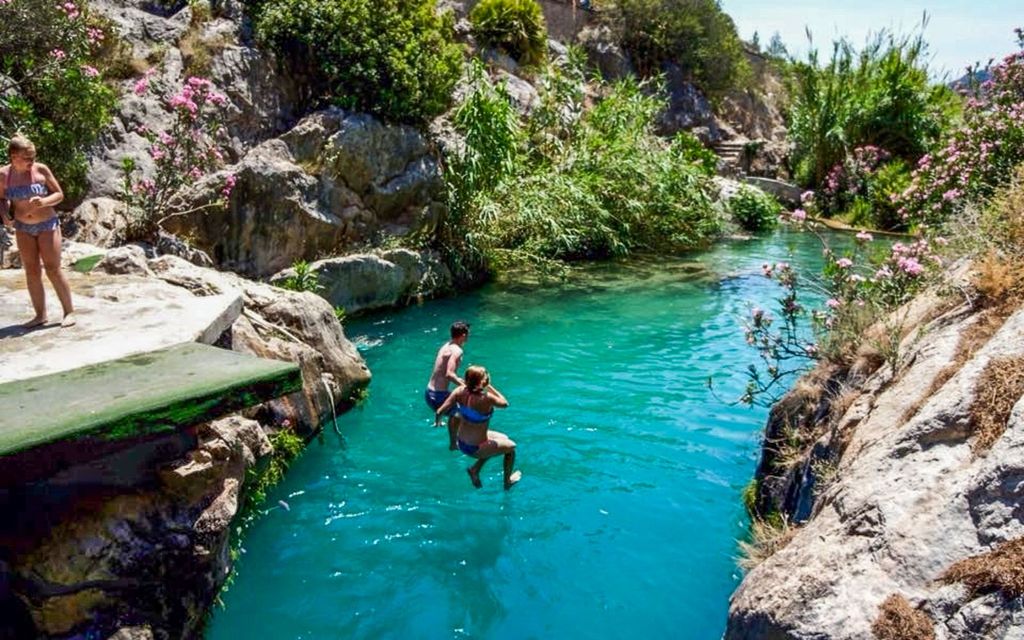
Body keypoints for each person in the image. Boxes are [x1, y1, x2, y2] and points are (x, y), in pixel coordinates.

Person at [0, 135, 75, 328]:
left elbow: (59, 194)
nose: (31, 161)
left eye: (33, 157)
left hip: (47, 225)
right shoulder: (3, 175)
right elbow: (1, 199)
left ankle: (69, 312)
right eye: (27, 158)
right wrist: (5, 215)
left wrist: (44, 201)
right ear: (14, 156)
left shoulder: (40, 170)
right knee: (32, 271)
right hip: (23, 227)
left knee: (53, 269)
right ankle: (40, 315)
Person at [436, 365, 521, 490]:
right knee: (512, 447)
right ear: (483, 381)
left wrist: (438, 423)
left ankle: (475, 469)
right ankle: (507, 482)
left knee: (503, 438)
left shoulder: (459, 391)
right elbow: (505, 403)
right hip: (474, 448)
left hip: (461, 441)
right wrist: (489, 387)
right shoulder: (486, 398)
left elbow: (439, 412)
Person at [425, 321, 470, 450]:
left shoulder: (446, 346)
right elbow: (449, 374)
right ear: (463, 335)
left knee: (458, 405)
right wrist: (467, 387)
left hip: (429, 393)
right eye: (467, 335)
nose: (468, 337)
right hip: (438, 396)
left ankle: (438, 421)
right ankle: (453, 444)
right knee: (462, 412)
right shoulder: (457, 351)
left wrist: (462, 381)